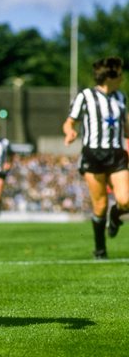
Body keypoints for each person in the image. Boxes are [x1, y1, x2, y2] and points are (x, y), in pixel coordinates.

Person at [63, 56, 129, 259]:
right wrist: (70, 133)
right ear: (110, 76)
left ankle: (115, 216)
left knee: (125, 200)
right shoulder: (86, 96)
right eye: (119, 73)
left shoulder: (121, 98)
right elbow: (69, 122)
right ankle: (100, 249)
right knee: (99, 205)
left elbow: (125, 127)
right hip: (93, 155)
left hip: (117, 153)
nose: (122, 77)